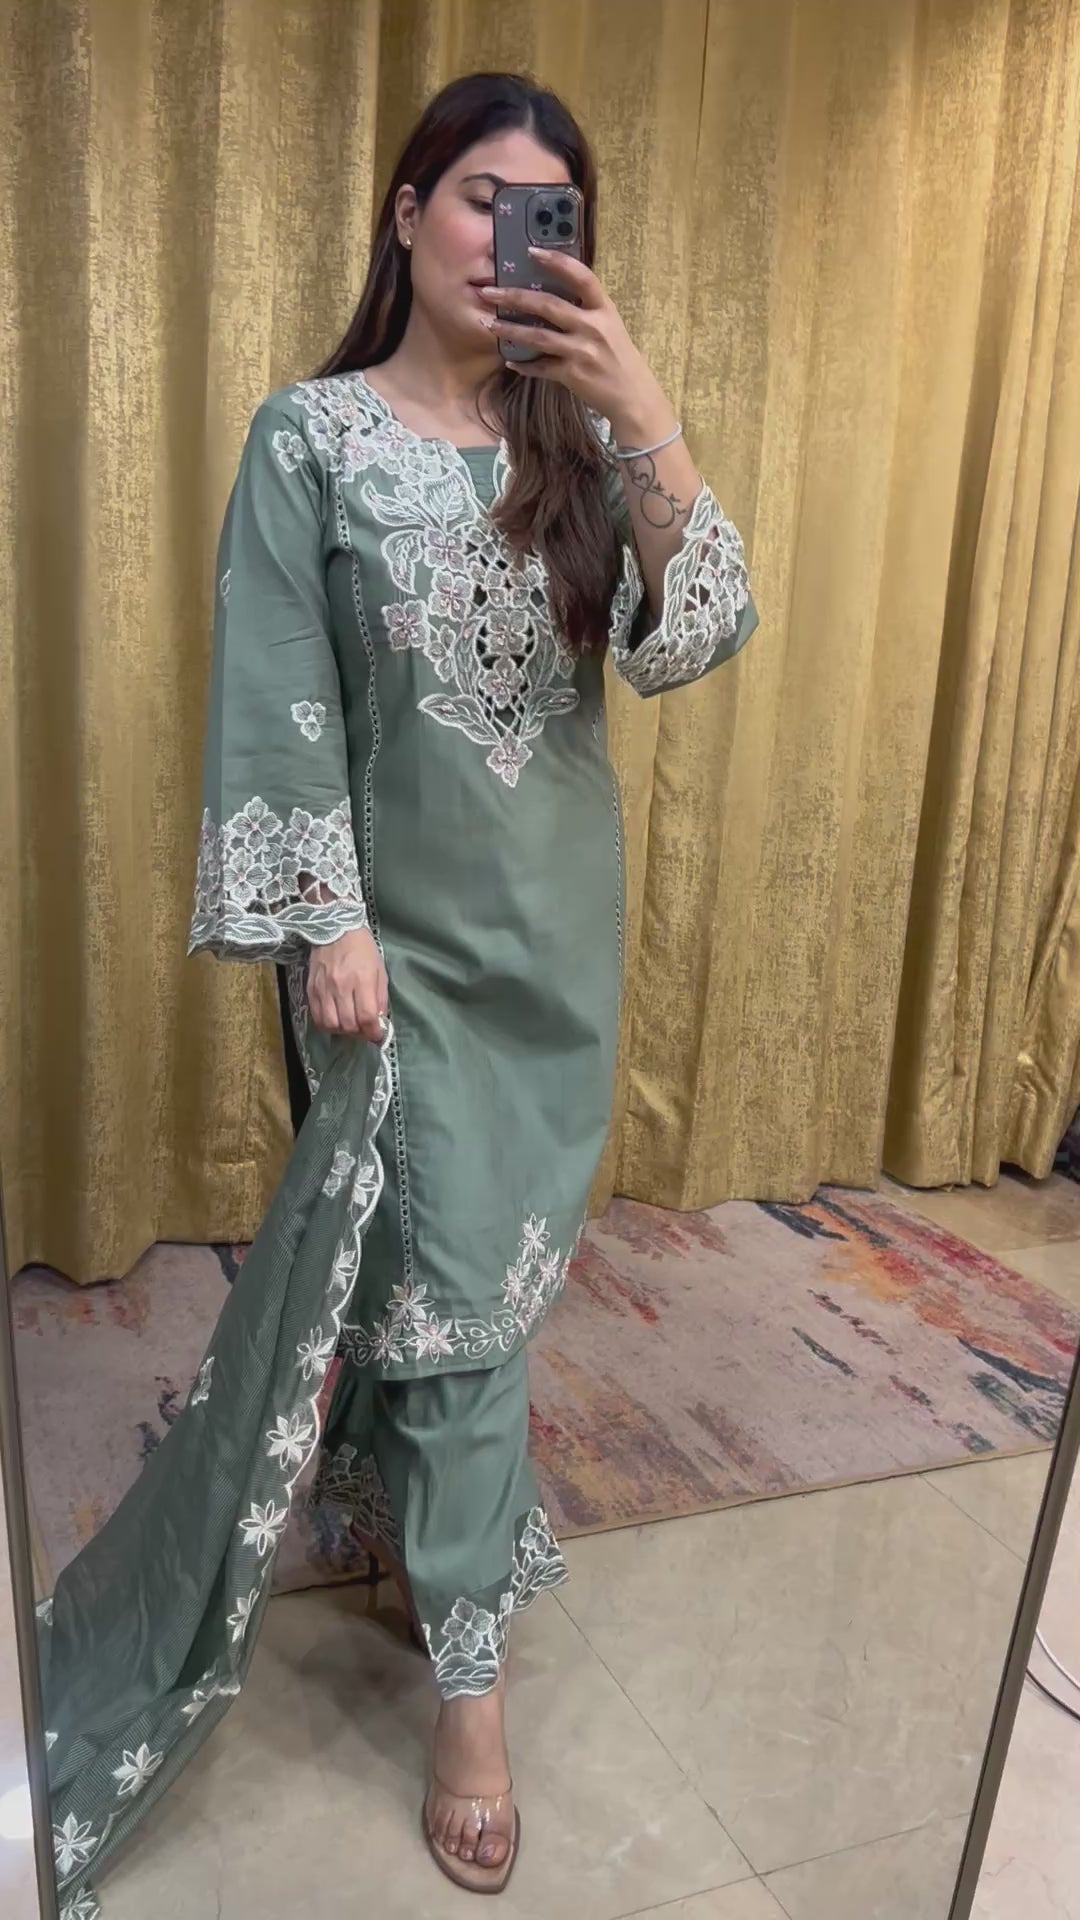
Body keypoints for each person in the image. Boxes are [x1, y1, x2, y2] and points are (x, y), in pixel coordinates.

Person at [35, 70, 757, 1914]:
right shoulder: (312, 439)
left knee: (474, 1297)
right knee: (448, 1320)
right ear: (407, 213)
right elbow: (277, 674)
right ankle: (472, 1708)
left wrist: (640, 404)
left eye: (548, 216)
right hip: (390, 963)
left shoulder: (573, 447)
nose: (510, 240)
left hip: (552, 957)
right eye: (481, 199)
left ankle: (392, 1496)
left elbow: (703, 633)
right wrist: (321, 922)